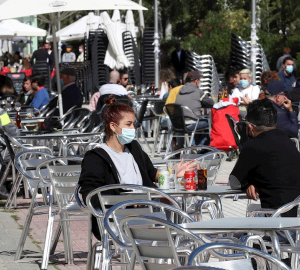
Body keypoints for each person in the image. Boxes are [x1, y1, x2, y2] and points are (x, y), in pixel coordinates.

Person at [78, 97, 196, 239]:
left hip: (146, 210)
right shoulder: (95, 157)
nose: (133, 129)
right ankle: (166, 250)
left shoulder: (134, 148)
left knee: (178, 207)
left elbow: (152, 174)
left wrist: (173, 172)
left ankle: (172, 252)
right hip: (115, 218)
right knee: (171, 216)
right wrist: (126, 201)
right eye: (128, 124)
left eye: (133, 124)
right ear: (113, 126)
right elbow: (89, 194)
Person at [229, 98, 300, 217]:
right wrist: (252, 182)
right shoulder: (286, 140)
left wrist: (249, 183)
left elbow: (234, 182)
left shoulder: (253, 146)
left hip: (280, 223)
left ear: (250, 127)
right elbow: (273, 174)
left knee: (238, 231)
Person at [264, 81, 300, 170]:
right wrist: (290, 111)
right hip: (276, 147)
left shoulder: (258, 107)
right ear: (277, 97)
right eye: (283, 94)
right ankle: (298, 176)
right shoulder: (279, 112)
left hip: (260, 144)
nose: (285, 97)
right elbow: (294, 132)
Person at [174, 70, 214, 146]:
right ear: (196, 81)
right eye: (199, 81)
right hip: (192, 124)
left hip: (179, 124)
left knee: (201, 121)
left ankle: (191, 145)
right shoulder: (198, 91)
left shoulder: (179, 91)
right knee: (211, 122)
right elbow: (211, 103)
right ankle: (199, 147)